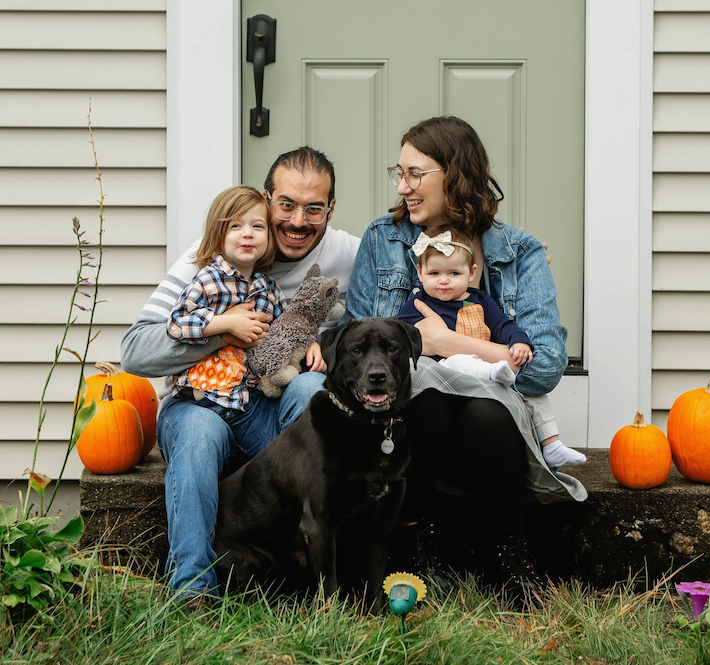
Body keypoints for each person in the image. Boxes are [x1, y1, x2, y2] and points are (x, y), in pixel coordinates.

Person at [343, 116, 588, 603]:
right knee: (429, 399)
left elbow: (543, 370)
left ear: (454, 175)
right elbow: (358, 351)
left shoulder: (519, 252)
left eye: (415, 174)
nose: (402, 186)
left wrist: (446, 342)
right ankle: (411, 546)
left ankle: (508, 554)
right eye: (399, 173)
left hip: (490, 437)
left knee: (484, 412)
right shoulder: (384, 240)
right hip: (410, 427)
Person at [120, 147, 358, 599]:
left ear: (330, 209)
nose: (298, 221)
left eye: (313, 209)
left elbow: (399, 298)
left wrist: (314, 343)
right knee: (199, 433)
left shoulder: (349, 254)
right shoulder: (209, 259)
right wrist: (225, 331)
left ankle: (310, 568)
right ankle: (192, 588)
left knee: (312, 387)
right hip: (200, 407)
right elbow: (134, 350)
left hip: (262, 413)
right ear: (266, 200)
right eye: (285, 205)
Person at [397, 225, 586, 468]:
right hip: (448, 373)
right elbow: (399, 333)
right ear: (420, 272)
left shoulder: (481, 300)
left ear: (471, 272)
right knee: (457, 360)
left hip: (489, 376)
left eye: (454, 273)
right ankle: (493, 373)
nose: (444, 281)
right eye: (434, 273)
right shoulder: (417, 304)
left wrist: (519, 341)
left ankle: (551, 444)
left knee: (536, 395)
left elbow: (503, 325)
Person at [167, 184, 326, 433]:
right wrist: (226, 324)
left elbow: (286, 327)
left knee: (275, 447)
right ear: (218, 234)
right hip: (207, 397)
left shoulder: (269, 289)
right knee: (204, 432)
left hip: (250, 402)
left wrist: (309, 343)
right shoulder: (207, 280)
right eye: (236, 226)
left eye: (257, 226)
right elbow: (177, 323)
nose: (248, 234)